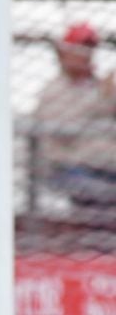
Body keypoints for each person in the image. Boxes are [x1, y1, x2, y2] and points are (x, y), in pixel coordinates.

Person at [33, 22, 116, 208]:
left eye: (90, 49)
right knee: (101, 192)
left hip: (107, 167)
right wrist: (101, 100)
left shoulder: (97, 85)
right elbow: (62, 131)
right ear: (64, 53)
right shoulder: (55, 90)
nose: (87, 55)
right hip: (68, 168)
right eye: (80, 49)